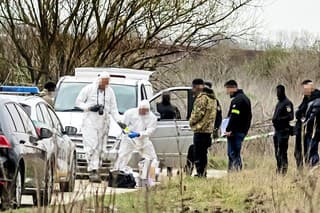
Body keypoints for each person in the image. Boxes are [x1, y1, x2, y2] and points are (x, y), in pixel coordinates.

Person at [76, 72, 121, 182]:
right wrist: (90, 107)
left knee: (100, 148)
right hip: (90, 122)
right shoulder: (89, 89)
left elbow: (114, 109)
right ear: (99, 80)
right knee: (91, 145)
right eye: (103, 82)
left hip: (103, 123)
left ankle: (96, 169)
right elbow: (78, 102)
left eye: (107, 83)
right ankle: (92, 170)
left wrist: (120, 121)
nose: (104, 85)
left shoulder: (110, 92)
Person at [114, 100, 158, 171]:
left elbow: (150, 130)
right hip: (129, 139)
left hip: (143, 139)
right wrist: (127, 132)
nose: (143, 112)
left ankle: (151, 173)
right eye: (141, 110)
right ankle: (118, 172)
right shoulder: (130, 113)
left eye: (145, 110)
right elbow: (123, 125)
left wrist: (139, 134)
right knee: (123, 155)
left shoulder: (152, 117)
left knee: (151, 157)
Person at [189, 78, 216, 177]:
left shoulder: (202, 98)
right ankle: (202, 173)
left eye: (193, 88)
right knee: (203, 154)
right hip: (208, 130)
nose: (193, 90)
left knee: (198, 153)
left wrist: (191, 122)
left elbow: (197, 114)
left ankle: (200, 173)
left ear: (196, 87)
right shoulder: (212, 98)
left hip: (200, 130)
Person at [224, 80, 252, 171]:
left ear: (233, 88)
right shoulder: (246, 99)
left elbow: (234, 116)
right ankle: (234, 173)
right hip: (241, 131)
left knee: (233, 153)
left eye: (227, 89)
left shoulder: (238, 100)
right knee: (235, 153)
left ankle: (235, 172)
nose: (227, 92)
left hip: (235, 132)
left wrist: (229, 129)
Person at [295, 80, 320, 168]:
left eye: (305, 89)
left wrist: (305, 120)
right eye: (303, 89)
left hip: (313, 131)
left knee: (312, 152)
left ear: (311, 88)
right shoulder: (306, 99)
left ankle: (315, 170)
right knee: (305, 152)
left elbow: (312, 117)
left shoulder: (317, 100)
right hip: (305, 131)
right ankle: (307, 171)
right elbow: (298, 112)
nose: (304, 91)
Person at [272, 85, 294, 174]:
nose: (277, 94)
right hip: (277, 131)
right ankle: (279, 168)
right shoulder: (279, 103)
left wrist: (280, 119)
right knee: (276, 152)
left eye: (278, 92)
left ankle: (284, 170)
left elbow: (290, 116)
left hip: (284, 131)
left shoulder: (287, 103)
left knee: (282, 152)